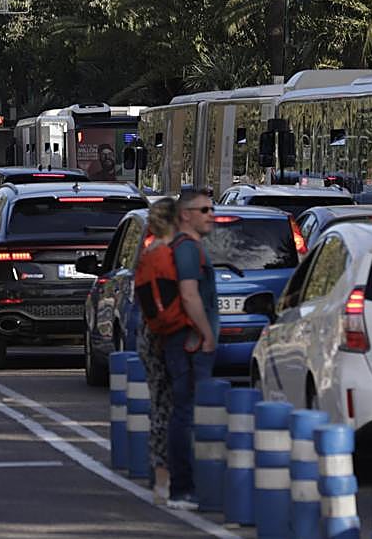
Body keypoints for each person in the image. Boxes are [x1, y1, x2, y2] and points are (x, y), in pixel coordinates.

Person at [165, 187, 219, 510]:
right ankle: (182, 489)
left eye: (211, 210)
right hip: (189, 342)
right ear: (186, 215)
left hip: (188, 340)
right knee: (184, 413)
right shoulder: (187, 249)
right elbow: (189, 295)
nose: (210, 215)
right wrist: (205, 333)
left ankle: (186, 485)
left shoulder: (191, 246)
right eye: (204, 210)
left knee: (187, 411)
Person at [136, 197, 179, 504]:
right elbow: (166, 301)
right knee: (165, 405)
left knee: (158, 403)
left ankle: (159, 476)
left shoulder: (147, 253)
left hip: (148, 334)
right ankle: (163, 480)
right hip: (160, 336)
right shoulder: (163, 256)